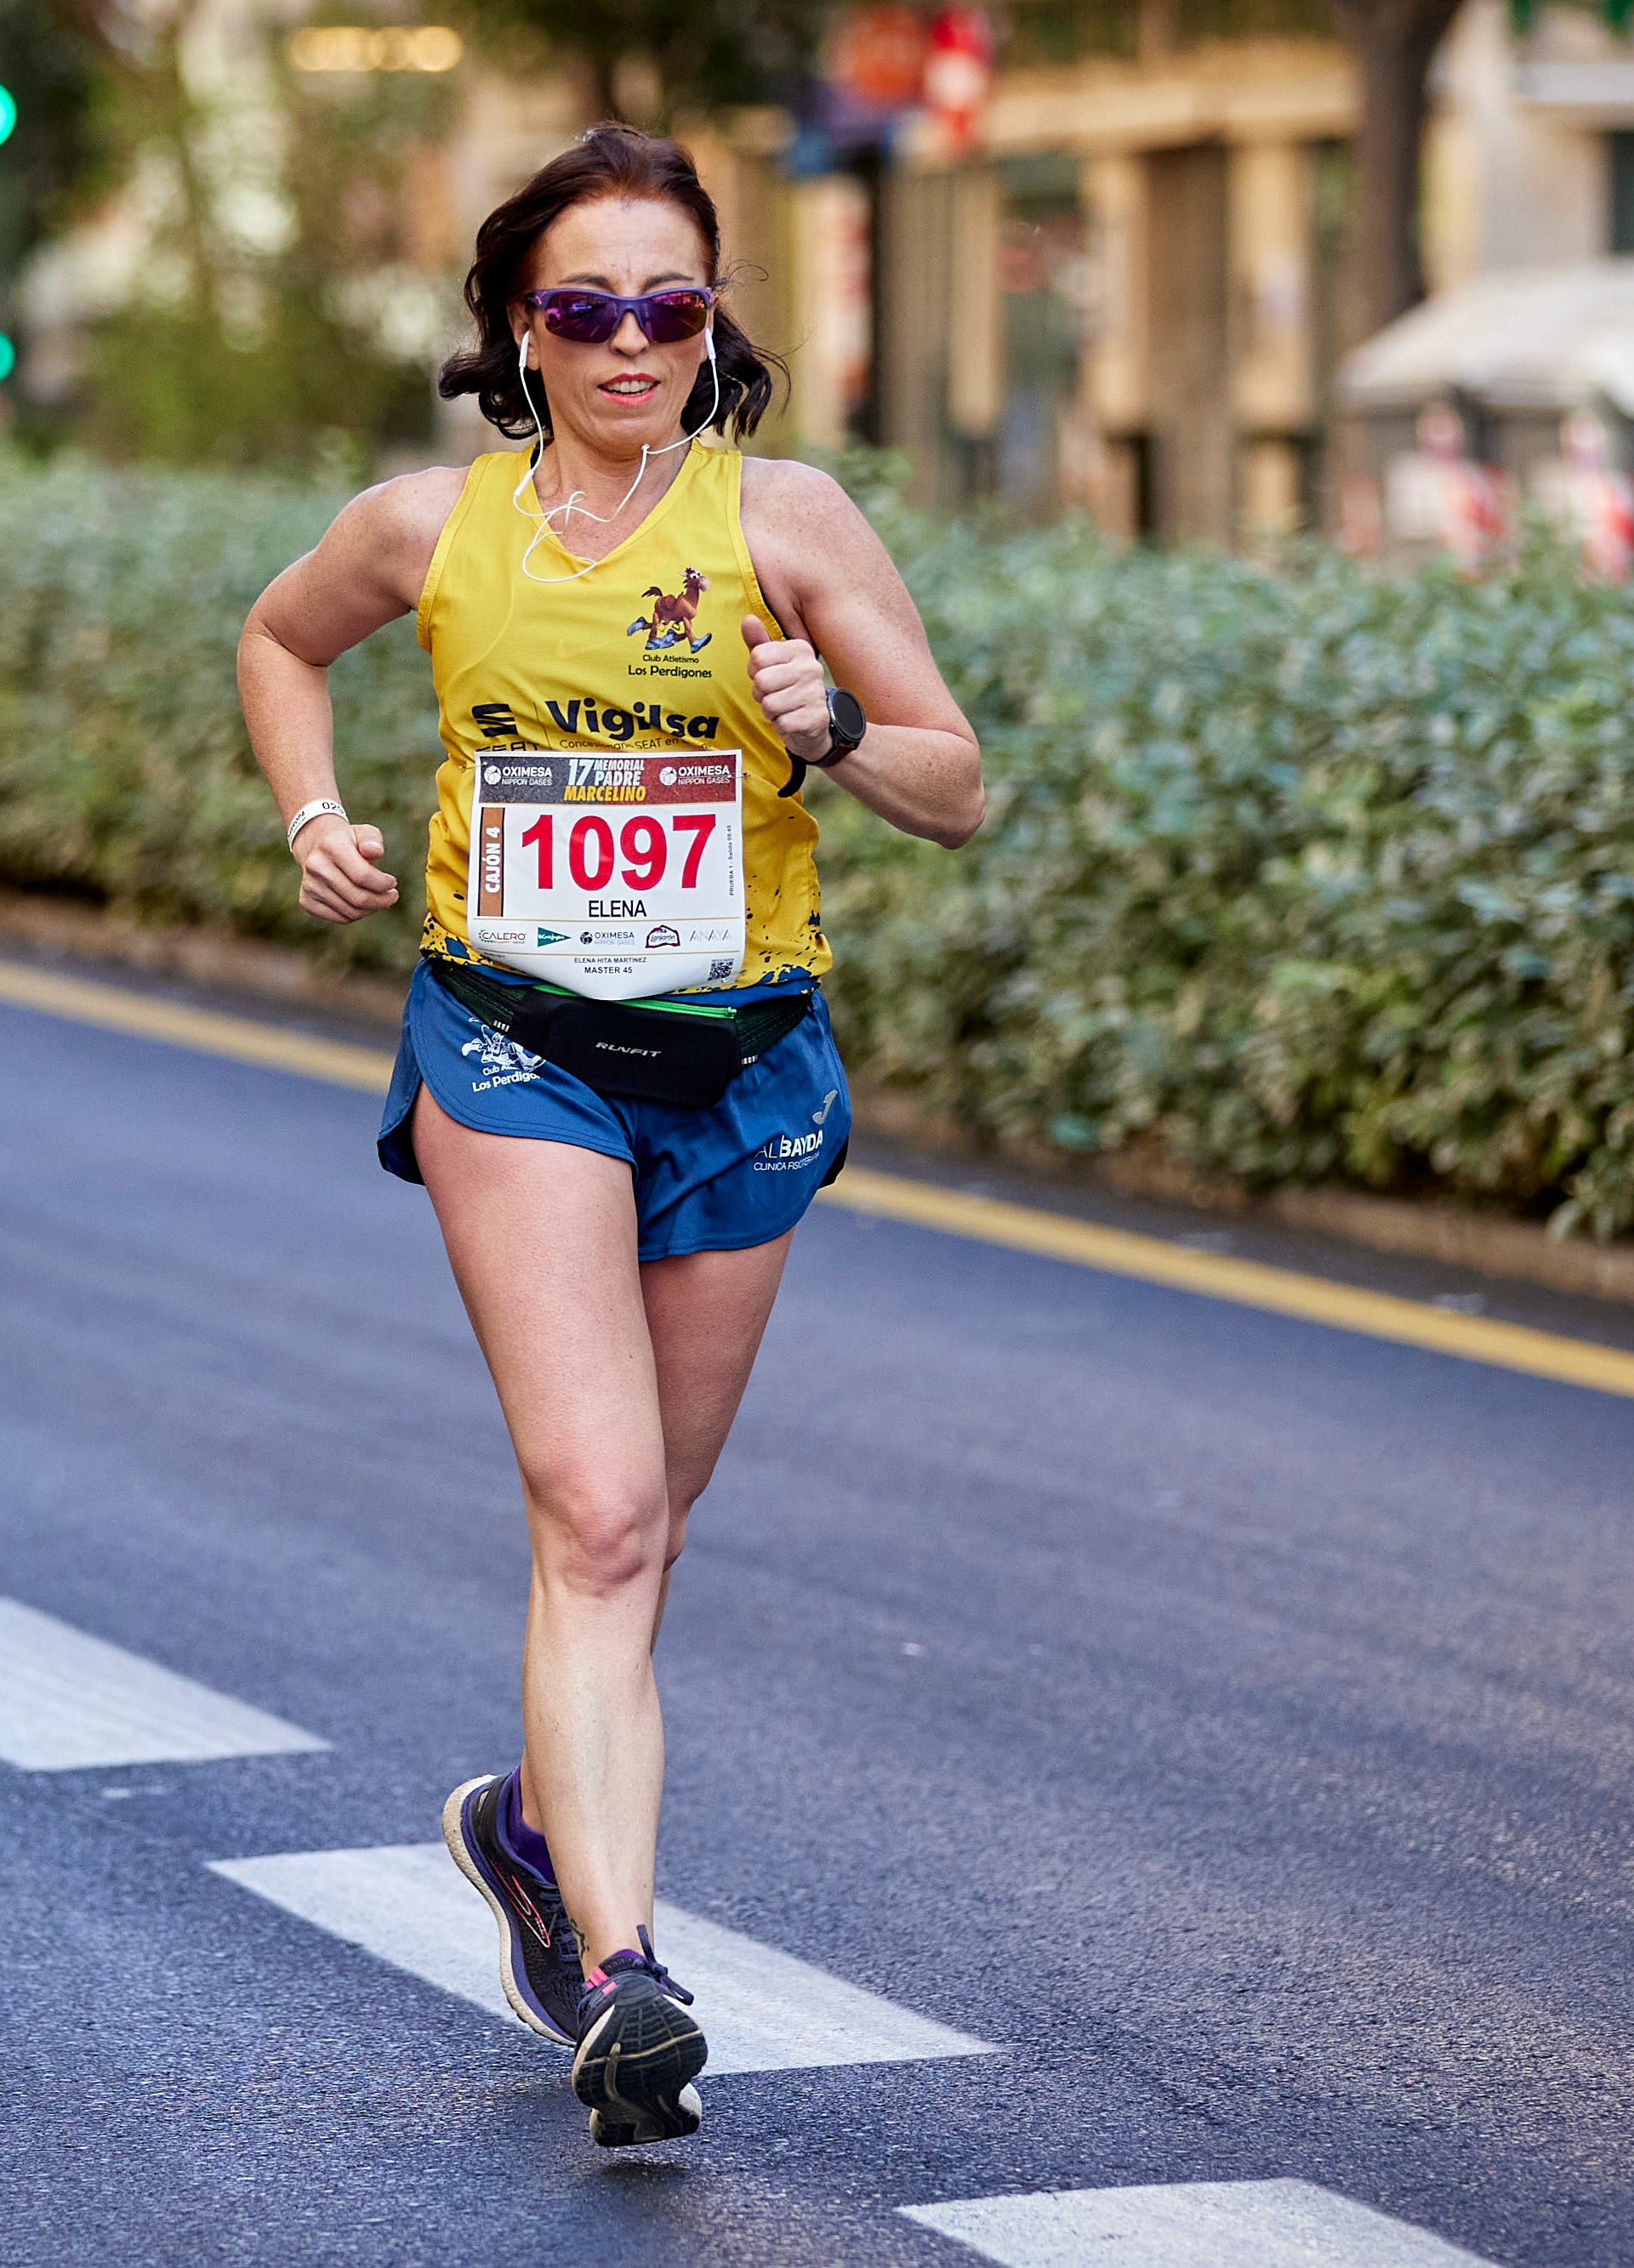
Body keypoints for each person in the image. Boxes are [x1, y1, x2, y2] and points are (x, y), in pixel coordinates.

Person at [233, 125, 982, 2148]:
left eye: (670, 305)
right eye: (586, 308)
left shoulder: (788, 519)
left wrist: (830, 728)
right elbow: (278, 639)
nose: (632, 340)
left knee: (647, 1526)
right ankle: (625, 1973)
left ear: (712, 319)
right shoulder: (426, 530)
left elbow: (956, 780)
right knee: (598, 1513)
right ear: (516, 330)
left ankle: (529, 1827)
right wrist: (314, 815)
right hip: (513, 1051)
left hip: (739, 1072)